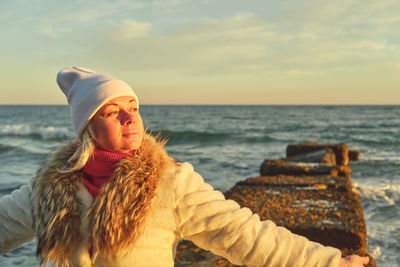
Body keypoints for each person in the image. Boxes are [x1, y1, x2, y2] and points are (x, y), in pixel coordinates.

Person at [0, 67, 369, 267]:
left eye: (134, 107)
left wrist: (333, 264)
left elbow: (243, 234)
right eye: (113, 112)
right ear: (87, 129)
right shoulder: (50, 190)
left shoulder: (170, 183)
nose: (130, 117)